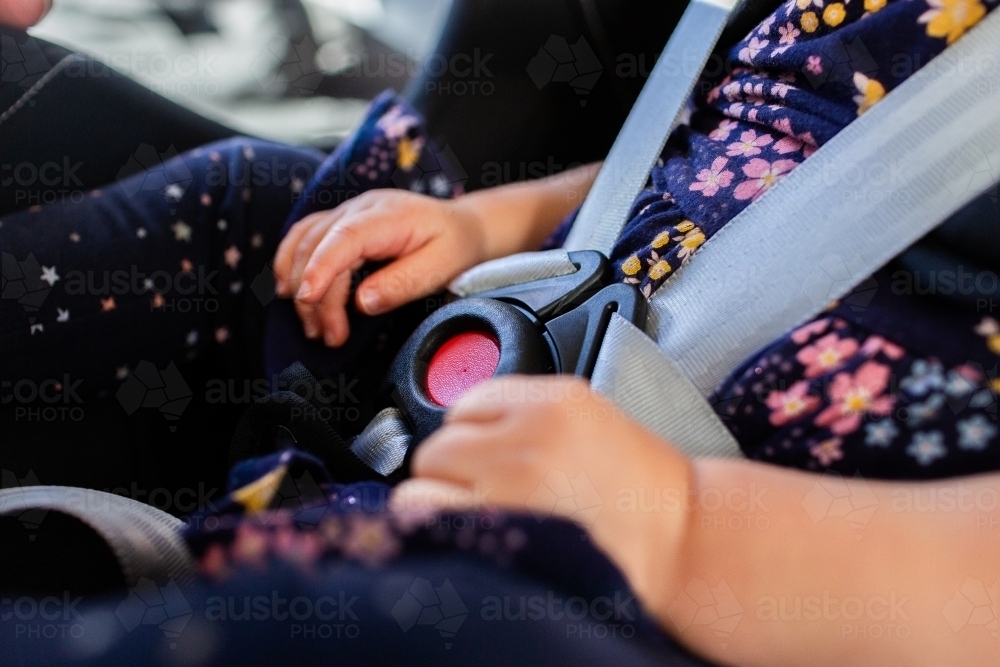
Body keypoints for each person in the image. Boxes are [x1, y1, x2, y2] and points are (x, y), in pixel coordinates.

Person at [1, 0, 997, 665]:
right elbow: (711, 165)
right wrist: (484, 226)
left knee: (412, 633)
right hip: (532, 350)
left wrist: (683, 524)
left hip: (738, 587)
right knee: (256, 208)